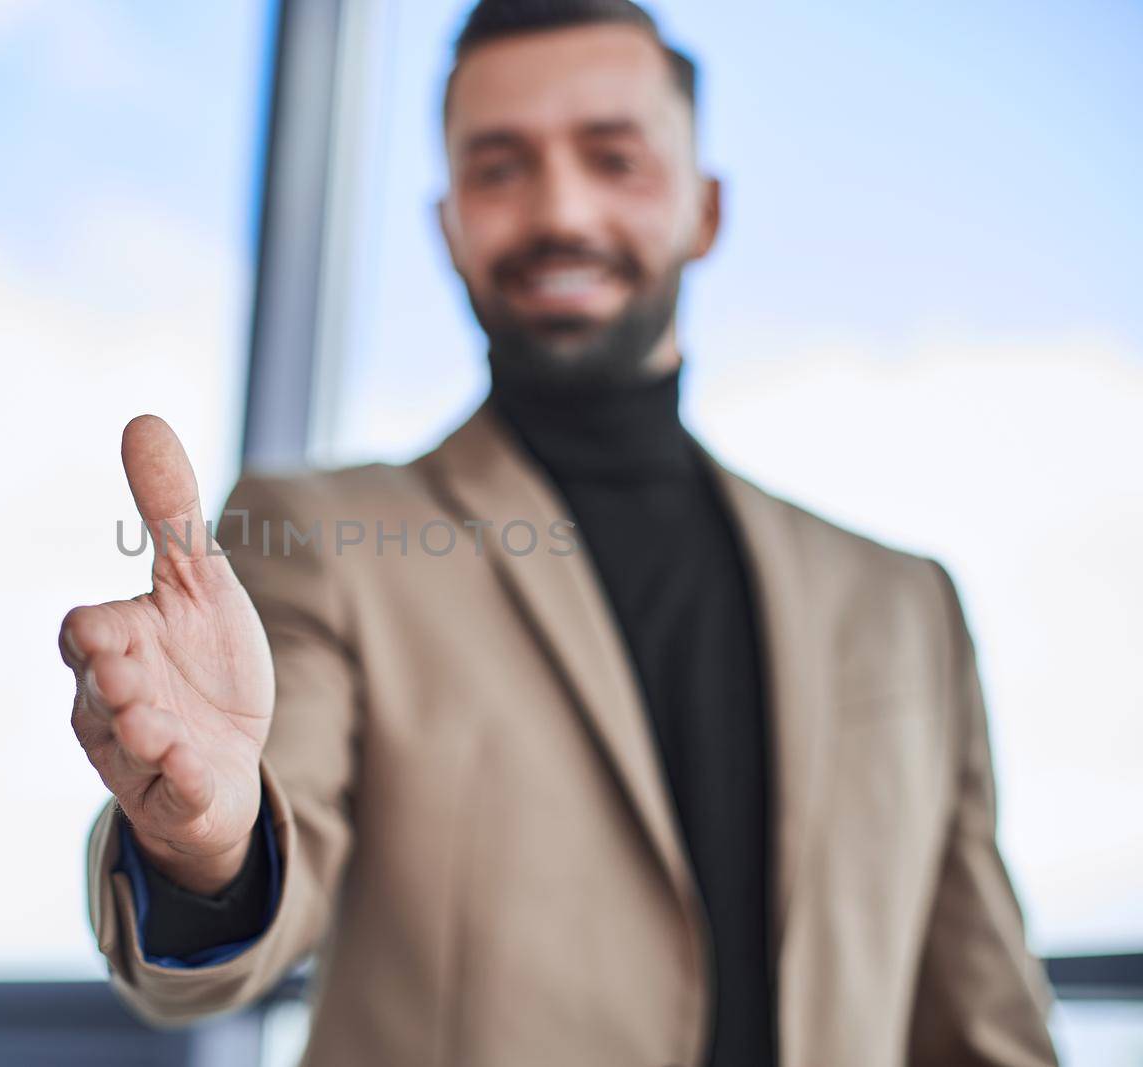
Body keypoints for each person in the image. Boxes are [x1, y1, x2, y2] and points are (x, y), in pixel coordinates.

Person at [57, 1, 1059, 1064]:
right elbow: (249, 870)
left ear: (704, 208)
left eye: (613, 157)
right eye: (498, 167)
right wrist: (208, 840)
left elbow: (982, 1017)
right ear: (446, 226)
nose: (559, 208)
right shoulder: (324, 539)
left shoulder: (906, 607)